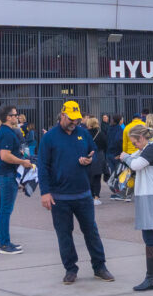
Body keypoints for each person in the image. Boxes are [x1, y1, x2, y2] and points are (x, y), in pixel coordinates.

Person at [37, 101, 114, 284]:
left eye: (77, 120)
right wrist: (45, 192)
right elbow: (43, 166)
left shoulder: (83, 133)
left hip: (83, 194)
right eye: (71, 119)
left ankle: (99, 266)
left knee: (91, 231)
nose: (74, 123)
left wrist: (89, 159)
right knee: (64, 234)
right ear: (62, 115)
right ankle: (70, 269)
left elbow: (92, 150)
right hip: (59, 197)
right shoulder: (50, 138)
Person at [120, 123, 153, 291]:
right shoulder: (150, 147)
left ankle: (151, 278)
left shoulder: (150, 149)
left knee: (149, 235)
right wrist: (129, 156)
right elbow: (135, 156)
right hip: (152, 195)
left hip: (149, 195)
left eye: (135, 142)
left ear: (141, 138)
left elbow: (134, 164)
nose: (134, 145)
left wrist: (125, 157)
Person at [0, 104, 33, 254]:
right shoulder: (6, 133)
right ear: (8, 117)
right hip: (7, 174)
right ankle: (4, 244)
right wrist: (22, 162)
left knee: (6, 209)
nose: (17, 117)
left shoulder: (6, 132)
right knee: (6, 210)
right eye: (15, 115)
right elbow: (5, 155)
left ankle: (5, 241)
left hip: (7, 174)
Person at [85, 116, 107, 205]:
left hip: (88, 156)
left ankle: (90, 196)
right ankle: (96, 197)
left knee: (88, 178)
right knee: (97, 178)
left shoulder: (85, 133)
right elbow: (105, 145)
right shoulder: (100, 134)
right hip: (99, 156)